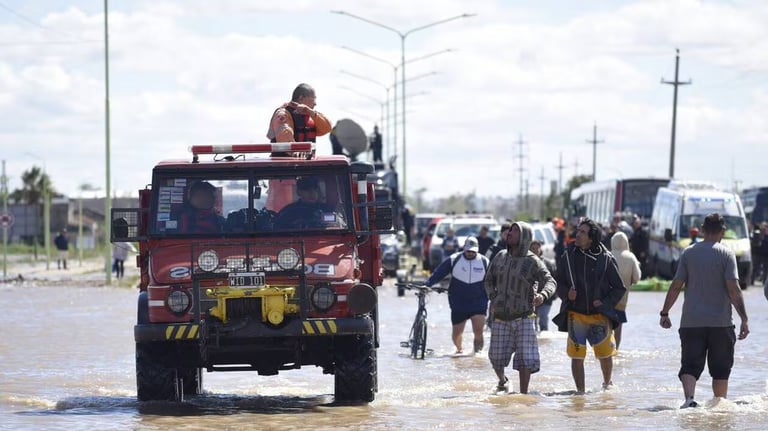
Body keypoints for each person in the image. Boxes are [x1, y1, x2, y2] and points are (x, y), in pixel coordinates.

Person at [659, 213, 750, 409]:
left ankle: (689, 399)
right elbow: (734, 289)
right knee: (721, 370)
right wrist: (744, 318)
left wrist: (665, 312)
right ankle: (719, 407)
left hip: (691, 322)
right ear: (723, 231)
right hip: (721, 324)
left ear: (702, 230)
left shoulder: (688, 253)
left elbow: (676, 286)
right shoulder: (726, 254)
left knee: (689, 366)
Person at [553, 218, 627, 393]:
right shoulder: (568, 256)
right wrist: (566, 294)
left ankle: (607, 385)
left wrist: (605, 303)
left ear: (591, 238)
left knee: (605, 355)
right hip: (575, 314)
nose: (577, 235)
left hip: (599, 315)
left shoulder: (606, 259)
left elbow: (619, 288)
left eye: (582, 232)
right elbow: (558, 282)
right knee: (576, 356)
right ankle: (580, 393)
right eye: (578, 231)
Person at [484, 222, 556, 393]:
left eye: (515, 231)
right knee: (495, 358)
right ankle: (502, 381)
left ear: (524, 237)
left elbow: (550, 281)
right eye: (510, 230)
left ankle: (523, 395)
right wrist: (493, 297)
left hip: (524, 317)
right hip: (500, 317)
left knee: (525, 359)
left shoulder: (532, 261)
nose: (510, 233)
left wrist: (542, 295)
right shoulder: (500, 256)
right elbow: (488, 280)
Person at [425, 237, 489, 355]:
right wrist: (427, 284)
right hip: (459, 303)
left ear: (477, 250)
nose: (470, 253)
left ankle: (477, 355)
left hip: (478, 303)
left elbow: (495, 280)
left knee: (478, 332)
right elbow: (439, 273)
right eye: (468, 251)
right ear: (464, 248)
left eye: (473, 251)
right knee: (456, 335)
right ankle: (459, 350)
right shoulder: (454, 259)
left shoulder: (485, 262)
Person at [267, 83, 332, 148]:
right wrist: (298, 152)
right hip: (288, 154)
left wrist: (312, 113)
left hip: (305, 154)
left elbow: (327, 128)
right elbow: (285, 139)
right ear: (301, 98)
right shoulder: (283, 114)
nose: (315, 103)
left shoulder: (310, 115)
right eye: (313, 99)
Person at [610, 231, 640, 351]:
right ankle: (615, 351)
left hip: (605, 300)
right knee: (618, 329)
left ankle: (604, 354)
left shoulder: (608, 255)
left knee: (606, 328)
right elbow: (636, 278)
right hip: (622, 300)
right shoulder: (631, 258)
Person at [530, 240, 556, 332]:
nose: (535, 250)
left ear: (540, 249)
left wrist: (552, 295)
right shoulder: (526, 263)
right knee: (531, 323)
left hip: (545, 298)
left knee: (543, 321)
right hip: (530, 299)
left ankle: (544, 338)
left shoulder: (548, 264)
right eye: (533, 248)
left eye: (537, 248)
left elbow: (553, 280)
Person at [629, 215, 649, 279]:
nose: (635, 225)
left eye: (637, 223)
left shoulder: (643, 231)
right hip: (635, 252)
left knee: (642, 267)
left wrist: (644, 252)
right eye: (635, 223)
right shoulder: (634, 231)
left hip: (641, 253)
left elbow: (645, 242)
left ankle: (642, 278)